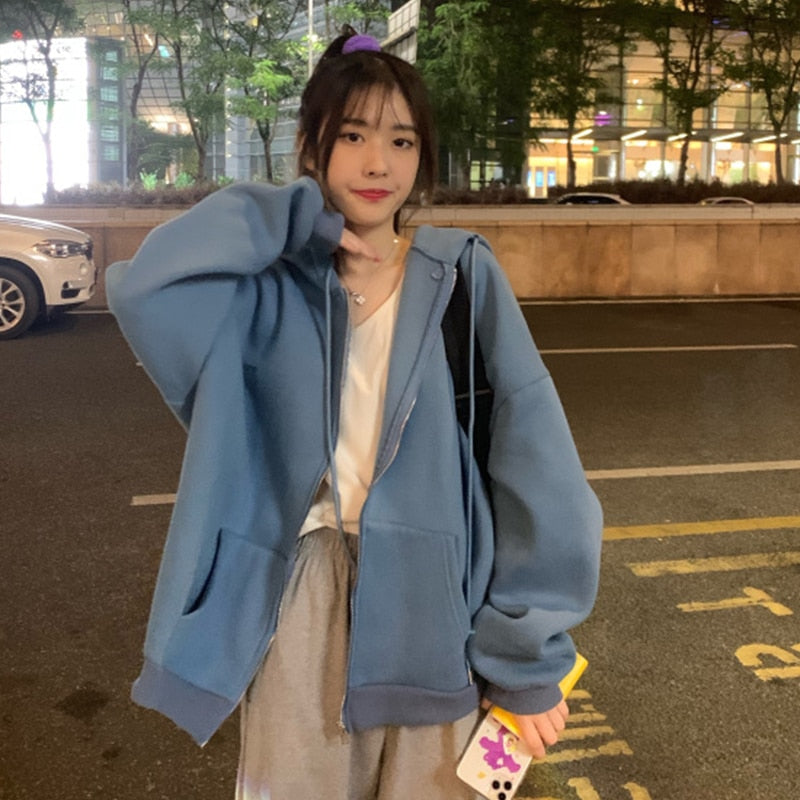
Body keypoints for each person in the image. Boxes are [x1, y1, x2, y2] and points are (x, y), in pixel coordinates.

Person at [107, 26, 603, 800]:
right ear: (312, 147)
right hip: (300, 596)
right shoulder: (266, 289)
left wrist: (528, 654)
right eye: (353, 135)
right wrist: (291, 219)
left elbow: (536, 466)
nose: (379, 163)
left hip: (436, 608)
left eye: (402, 141)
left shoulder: (459, 277)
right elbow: (146, 288)